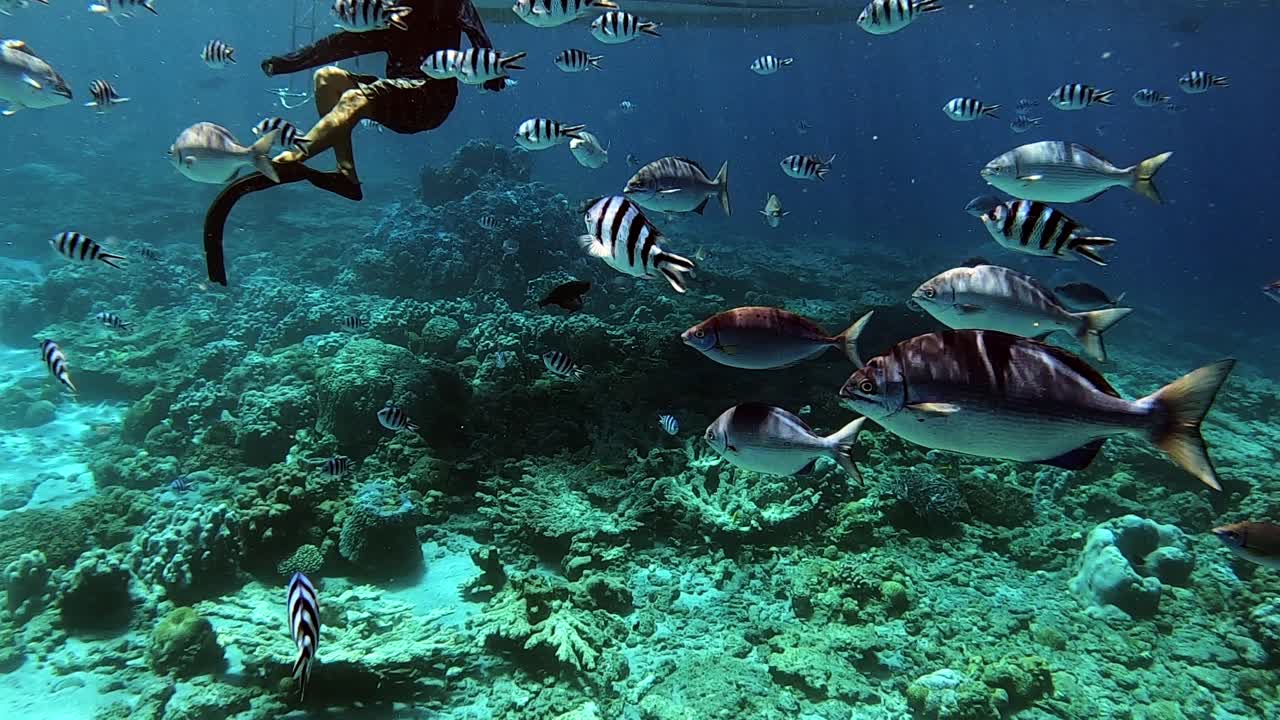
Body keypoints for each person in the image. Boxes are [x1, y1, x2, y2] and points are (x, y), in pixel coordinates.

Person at [203, 0, 505, 285]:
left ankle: (296, 156)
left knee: (352, 98)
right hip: (395, 94)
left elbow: (474, 27)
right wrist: (284, 64)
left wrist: (492, 70)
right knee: (327, 79)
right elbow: (342, 44)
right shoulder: (390, 13)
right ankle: (346, 174)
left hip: (430, 100)